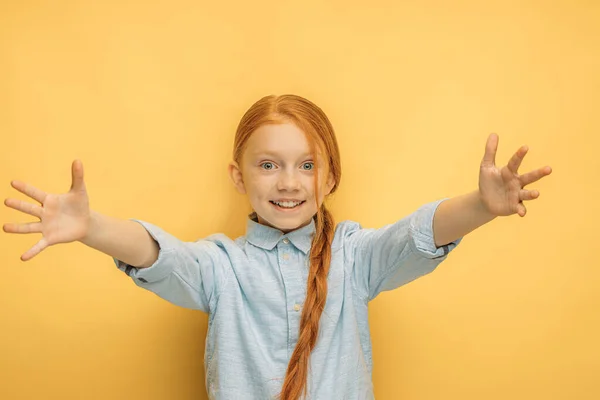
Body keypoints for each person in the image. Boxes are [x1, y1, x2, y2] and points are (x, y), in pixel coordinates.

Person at [3, 94, 552, 400]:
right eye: (269, 165)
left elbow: (415, 235)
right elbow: (160, 255)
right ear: (238, 177)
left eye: (306, 165)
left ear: (330, 177)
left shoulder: (355, 257)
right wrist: (93, 226)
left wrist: (480, 207)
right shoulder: (221, 267)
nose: (288, 183)